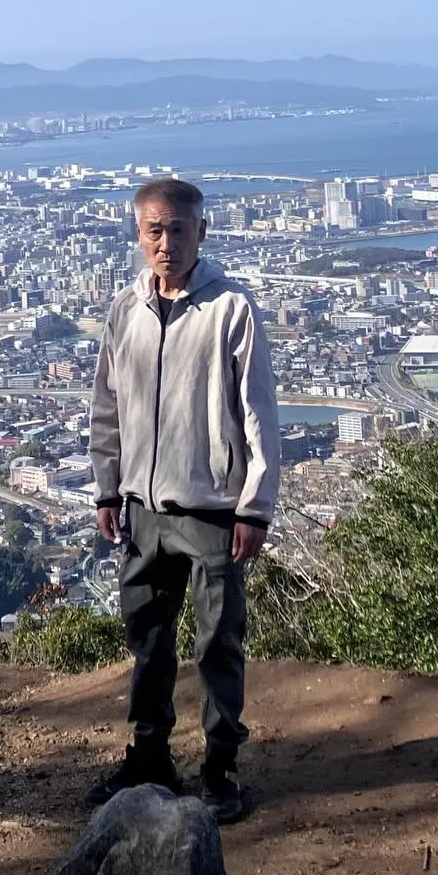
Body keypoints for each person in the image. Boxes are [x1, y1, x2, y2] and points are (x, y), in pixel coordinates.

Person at [86, 177, 281, 825]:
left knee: (216, 643)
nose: (166, 243)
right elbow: (106, 410)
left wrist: (254, 505)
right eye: (154, 230)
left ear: (202, 230)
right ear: (138, 235)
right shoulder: (124, 311)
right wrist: (107, 489)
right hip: (142, 510)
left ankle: (220, 768)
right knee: (148, 642)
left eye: (178, 229)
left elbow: (259, 416)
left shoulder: (231, 308)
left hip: (212, 509)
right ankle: (148, 758)